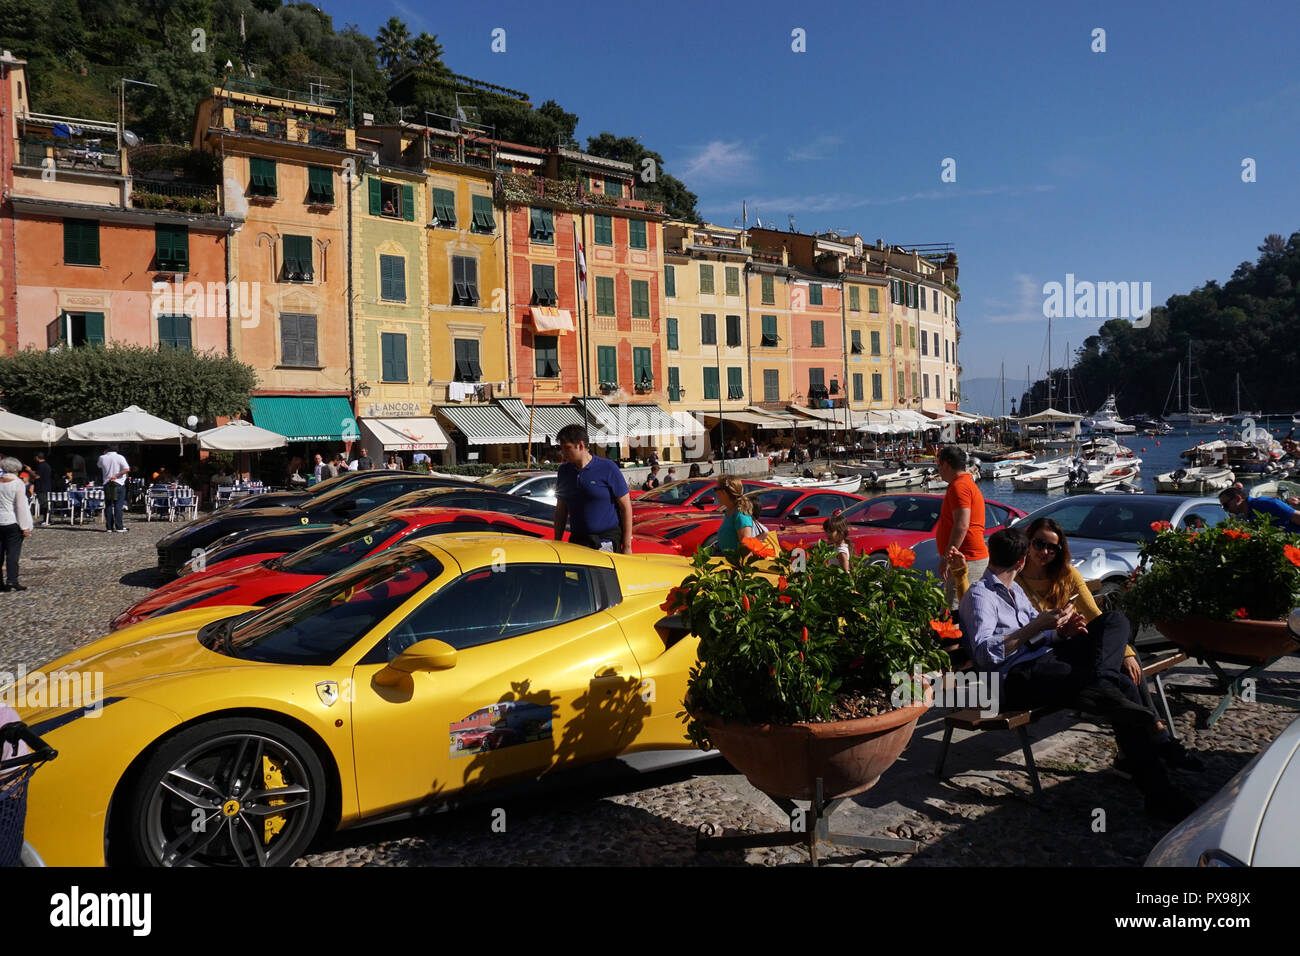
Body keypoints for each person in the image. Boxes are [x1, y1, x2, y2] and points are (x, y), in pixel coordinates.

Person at [957, 528, 1196, 820]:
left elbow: (1040, 639)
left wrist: (1061, 632)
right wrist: (1036, 627)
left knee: (1114, 621)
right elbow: (984, 654)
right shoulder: (981, 596)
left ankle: (1101, 681)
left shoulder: (1015, 590)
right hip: (1015, 678)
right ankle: (1160, 794)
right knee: (1124, 689)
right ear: (1022, 561)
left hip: (1045, 660)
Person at [553, 424, 633, 553]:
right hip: (578, 540)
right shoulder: (564, 471)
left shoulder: (608, 468)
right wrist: (557, 541)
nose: (563, 453)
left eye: (567, 448)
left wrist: (627, 545)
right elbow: (561, 509)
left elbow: (626, 507)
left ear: (580, 446)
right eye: (561, 448)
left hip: (606, 540)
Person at [935, 445, 986, 609]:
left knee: (952, 612)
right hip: (966, 557)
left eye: (938, 465)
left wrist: (947, 557)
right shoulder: (963, 483)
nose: (938, 470)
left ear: (947, 465)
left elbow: (962, 524)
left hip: (966, 558)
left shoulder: (960, 486)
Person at [0, 458, 33, 592]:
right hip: (12, 521)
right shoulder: (17, 483)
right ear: (16, 470)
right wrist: (25, 526)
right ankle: (12, 580)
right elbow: (20, 506)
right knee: (13, 553)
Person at [1218, 486, 1300, 530]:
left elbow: (1297, 517)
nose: (1226, 509)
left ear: (1238, 498)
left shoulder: (1266, 503)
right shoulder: (1244, 516)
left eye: (1226, 505)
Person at [714, 475, 757, 559]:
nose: (715, 493)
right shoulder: (729, 511)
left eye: (716, 489)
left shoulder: (740, 515)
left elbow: (746, 547)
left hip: (736, 567)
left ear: (724, 492)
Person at [97, 445, 130, 533]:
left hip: (107, 483)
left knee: (108, 505)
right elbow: (127, 469)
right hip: (118, 482)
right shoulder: (120, 457)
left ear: (106, 449)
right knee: (118, 506)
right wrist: (116, 475)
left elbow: (99, 466)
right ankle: (119, 527)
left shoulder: (102, 457)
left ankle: (109, 527)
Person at [33, 453, 52, 526]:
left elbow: (37, 477)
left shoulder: (41, 466)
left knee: (44, 504)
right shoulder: (47, 465)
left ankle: (47, 520)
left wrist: (30, 471)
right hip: (46, 487)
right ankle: (46, 519)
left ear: (38, 457)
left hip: (42, 488)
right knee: (45, 504)